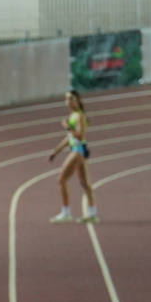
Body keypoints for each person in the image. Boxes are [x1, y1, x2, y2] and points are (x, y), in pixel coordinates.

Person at [48, 90, 97, 224]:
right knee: (84, 183)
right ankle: (92, 213)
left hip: (78, 150)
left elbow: (80, 135)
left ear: (78, 100)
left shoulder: (80, 116)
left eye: (71, 99)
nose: (69, 101)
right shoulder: (73, 115)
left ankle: (66, 213)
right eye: (67, 99)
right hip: (78, 149)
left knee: (61, 180)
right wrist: (56, 151)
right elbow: (69, 137)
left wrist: (67, 127)